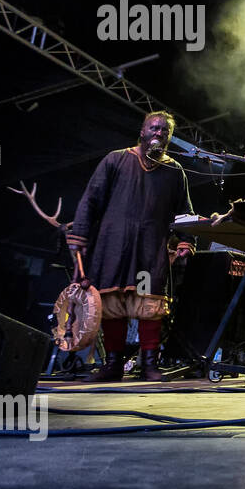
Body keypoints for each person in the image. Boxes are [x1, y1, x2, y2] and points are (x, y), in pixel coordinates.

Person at [67, 111, 194, 381]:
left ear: (169, 138)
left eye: (164, 131)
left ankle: (149, 365)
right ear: (142, 131)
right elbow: (90, 200)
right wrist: (80, 237)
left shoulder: (174, 170)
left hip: (151, 248)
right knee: (112, 302)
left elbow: (184, 212)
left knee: (150, 305)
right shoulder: (116, 159)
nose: (158, 133)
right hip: (113, 245)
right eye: (154, 128)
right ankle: (113, 365)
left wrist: (186, 239)